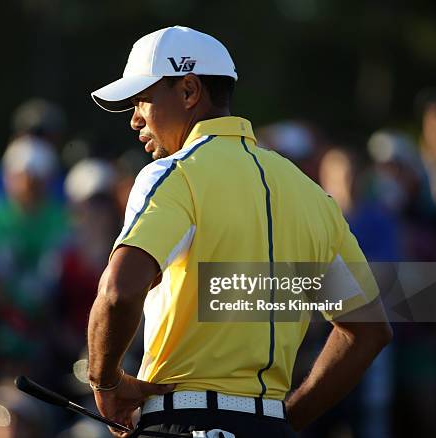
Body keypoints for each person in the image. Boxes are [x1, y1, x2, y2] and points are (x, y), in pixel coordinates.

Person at [86, 26, 393, 437]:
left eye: (142, 99)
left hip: (182, 421)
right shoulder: (310, 193)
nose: (135, 119)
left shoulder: (172, 174)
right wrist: (287, 421)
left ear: (189, 91)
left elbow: (118, 292)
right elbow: (368, 330)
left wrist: (105, 381)